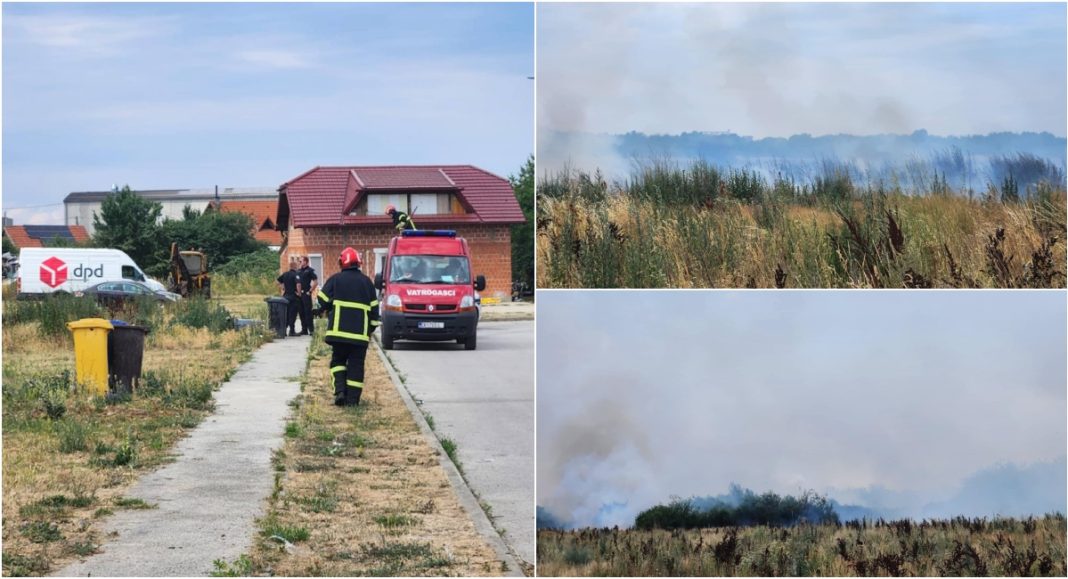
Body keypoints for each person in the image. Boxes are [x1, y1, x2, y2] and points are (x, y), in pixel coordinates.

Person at [317, 247, 379, 406]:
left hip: (338, 334)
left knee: (338, 362)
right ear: (358, 263)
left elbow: (322, 301)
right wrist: (370, 330)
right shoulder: (367, 283)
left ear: (341, 262)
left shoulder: (335, 279)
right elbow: (374, 312)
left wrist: (329, 304)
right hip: (359, 336)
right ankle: (352, 401)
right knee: (356, 367)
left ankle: (340, 392)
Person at [276, 260, 302, 337]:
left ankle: (283, 331)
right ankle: (292, 331)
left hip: (285, 297)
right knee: (292, 314)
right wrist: (299, 294)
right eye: (296, 266)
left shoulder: (285, 274)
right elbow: (298, 284)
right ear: (294, 267)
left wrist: (283, 287)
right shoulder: (296, 275)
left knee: (285, 314)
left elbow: (277, 282)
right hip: (293, 297)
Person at [297, 256, 318, 335]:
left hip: (306, 293)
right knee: (301, 312)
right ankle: (304, 329)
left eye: (301, 261)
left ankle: (311, 330)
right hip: (300, 294)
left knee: (308, 312)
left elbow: (315, 282)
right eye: (299, 261)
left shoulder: (310, 271)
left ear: (305, 261)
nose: (300, 263)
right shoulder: (299, 271)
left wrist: (310, 291)